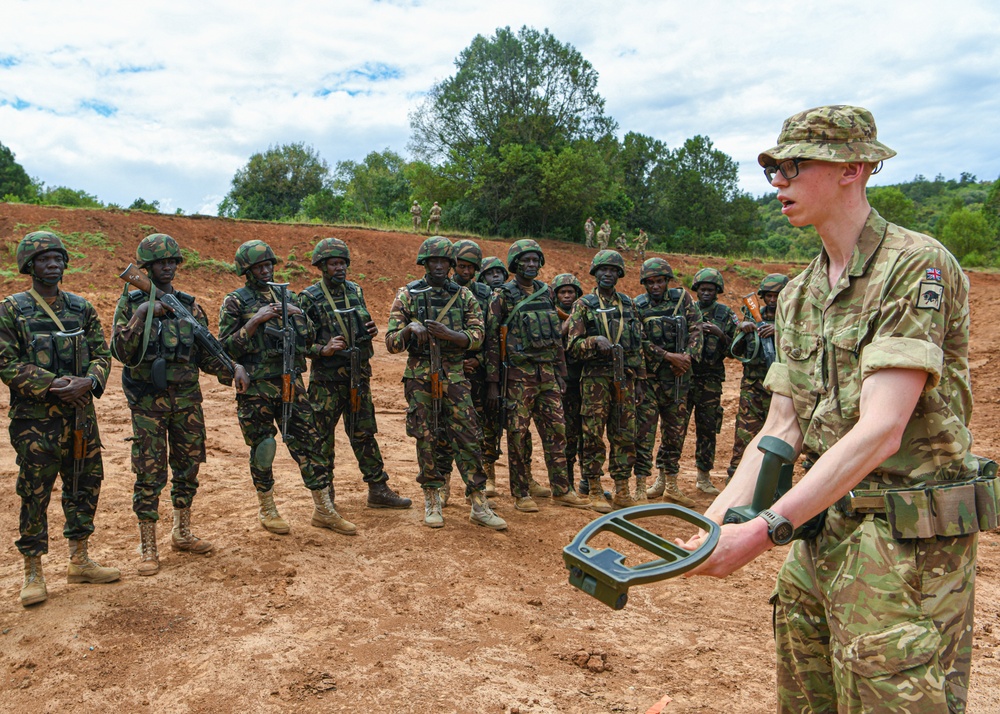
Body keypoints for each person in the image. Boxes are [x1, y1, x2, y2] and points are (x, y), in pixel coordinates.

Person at [683, 105, 994, 712]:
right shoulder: (799, 293)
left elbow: (881, 430)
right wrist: (710, 527)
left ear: (855, 167)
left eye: (795, 165)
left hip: (909, 549)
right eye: (774, 167)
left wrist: (769, 527)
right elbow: (780, 429)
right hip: (823, 535)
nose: (778, 180)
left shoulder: (913, 265)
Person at [111, 233, 250, 576]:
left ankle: (182, 531)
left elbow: (205, 352)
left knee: (188, 466)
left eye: (172, 261)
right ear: (147, 267)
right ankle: (148, 546)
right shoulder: (131, 303)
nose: (168, 267)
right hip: (148, 403)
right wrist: (143, 312)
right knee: (150, 472)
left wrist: (232, 368)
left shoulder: (189, 304)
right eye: (161, 262)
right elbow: (121, 352)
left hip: (187, 400)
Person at [0, 231, 119, 606]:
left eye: (58, 259)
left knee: (85, 483)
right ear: (29, 266)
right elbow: (6, 362)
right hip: (36, 421)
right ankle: (33, 571)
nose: (53, 265)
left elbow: (103, 353)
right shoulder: (12, 310)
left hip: (82, 415)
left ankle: (79, 559)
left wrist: (90, 380)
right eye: (44, 259)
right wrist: (52, 384)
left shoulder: (81, 308)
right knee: (35, 491)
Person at [219, 240, 356, 536]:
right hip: (256, 388)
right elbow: (225, 348)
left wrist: (296, 314)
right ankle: (267, 508)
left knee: (311, 442)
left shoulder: (287, 296)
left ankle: (323, 509)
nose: (266, 270)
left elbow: (306, 343)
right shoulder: (236, 301)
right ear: (247, 270)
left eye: (269, 265)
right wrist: (255, 321)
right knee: (263, 447)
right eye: (259, 267)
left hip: (290, 383)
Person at [384, 236, 506, 530]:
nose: (439, 266)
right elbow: (390, 343)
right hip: (420, 375)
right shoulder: (408, 294)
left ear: (451, 265)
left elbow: (478, 337)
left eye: (444, 262)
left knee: (468, 436)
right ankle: (433, 498)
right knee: (426, 438)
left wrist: (451, 335)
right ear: (424, 263)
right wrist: (410, 329)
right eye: (433, 261)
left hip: (454, 375)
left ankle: (478, 502)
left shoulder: (463, 296)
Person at [297, 237, 411, 510]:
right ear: (322, 267)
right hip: (327, 380)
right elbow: (299, 342)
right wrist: (322, 349)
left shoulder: (355, 291)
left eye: (343, 263)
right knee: (321, 437)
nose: (340, 268)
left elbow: (363, 322)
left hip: (358, 374)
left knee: (364, 432)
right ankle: (326, 495)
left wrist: (369, 330)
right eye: (334, 263)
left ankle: (378, 488)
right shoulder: (309, 297)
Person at [483, 240, 590, 512]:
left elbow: (555, 336)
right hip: (518, 377)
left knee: (557, 431)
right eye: (525, 260)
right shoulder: (502, 296)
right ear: (514, 264)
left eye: (535, 260)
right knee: (518, 435)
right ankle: (521, 493)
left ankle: (561, 489)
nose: (531, 265)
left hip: (548, 376)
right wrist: (494, 384)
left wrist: (561, 373)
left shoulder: (546, 293)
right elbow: (492, 342)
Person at [566, 250, 646, 512]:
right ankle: (595, 488)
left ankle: (622, 488)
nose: (608, 274)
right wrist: (593, 341)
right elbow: (572, 346)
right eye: (603, 269)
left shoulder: (629, 304)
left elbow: (639, 347)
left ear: (620, 274)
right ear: (595, 273)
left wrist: (641, 380)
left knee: (624, 434)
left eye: (613, 270)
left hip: (625, 378)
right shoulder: (584, 304)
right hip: (595, 380)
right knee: (592, 435)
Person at [635, 258, 703, 506]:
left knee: (675, 433)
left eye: (660, 281)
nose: (655, 286)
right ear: (644, 283)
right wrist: (668, 357)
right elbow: (639, 341)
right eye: (650, 282)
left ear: (667, 281)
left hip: (678, 380)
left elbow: (696, 328)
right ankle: (641, 486)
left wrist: (686, 358)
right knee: (645, 434)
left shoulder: (682, 299)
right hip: (651, 381)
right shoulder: (638, 306)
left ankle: (669, 484)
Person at [434, 239, 496, 503]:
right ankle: (443, 482)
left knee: (475, 431)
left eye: (471, 267)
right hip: (448, 370)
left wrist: (480, 361)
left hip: (477, 373)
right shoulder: (438, 291)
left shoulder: (485, 294)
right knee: (442, 430)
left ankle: (478, 486)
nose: (466, 272)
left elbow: (492, 336)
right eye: (461, 266)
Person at [673, 267, 737, 496]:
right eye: (702, 289)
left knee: (708, 428)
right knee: (675, 428)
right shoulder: (686, 311)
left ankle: (704, 476)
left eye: (710, 289)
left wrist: (720, 333)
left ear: (717, 291)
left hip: (710, 381)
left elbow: (735, 351)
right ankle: (668, 477)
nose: (706, 293)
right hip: (685, 378)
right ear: (696, 291)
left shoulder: (725, 314)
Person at [727, 273, 788, 482]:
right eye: (769, 296)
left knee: (779, 438)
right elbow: (736, 351)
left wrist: (779, 331)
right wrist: (742, 330)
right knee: (744, 435)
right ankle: (735, 480)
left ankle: (775, 484)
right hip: (753, 387)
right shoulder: (753, 316)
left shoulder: (791, 319)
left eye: (777, 296)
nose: (772, 300)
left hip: (781, 388)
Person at [551, 272, 586, 493]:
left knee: (589, 436)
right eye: (562, 292)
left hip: (588, 384)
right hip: (565, 384)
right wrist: (570, 320)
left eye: (570, 292)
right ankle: (567, 483)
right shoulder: (551, 317)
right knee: (567, 436)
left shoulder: (586, 313)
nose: (566, 296)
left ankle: (587, 481)